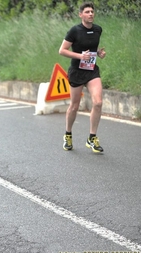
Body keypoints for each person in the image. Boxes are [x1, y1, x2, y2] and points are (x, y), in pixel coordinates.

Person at [59, 2, 106, 153]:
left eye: (92, 11)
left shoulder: (98, 29)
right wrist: (80, 56)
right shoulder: (74, 31)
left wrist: (98, 53)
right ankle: (68, 135)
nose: (90, 14)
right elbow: (62, 50)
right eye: (87, 12)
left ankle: (92, 138)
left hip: (91, 70)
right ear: (81, 15)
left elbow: (91, 46)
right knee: (74, 105)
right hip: (77, 71)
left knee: (98, 102)